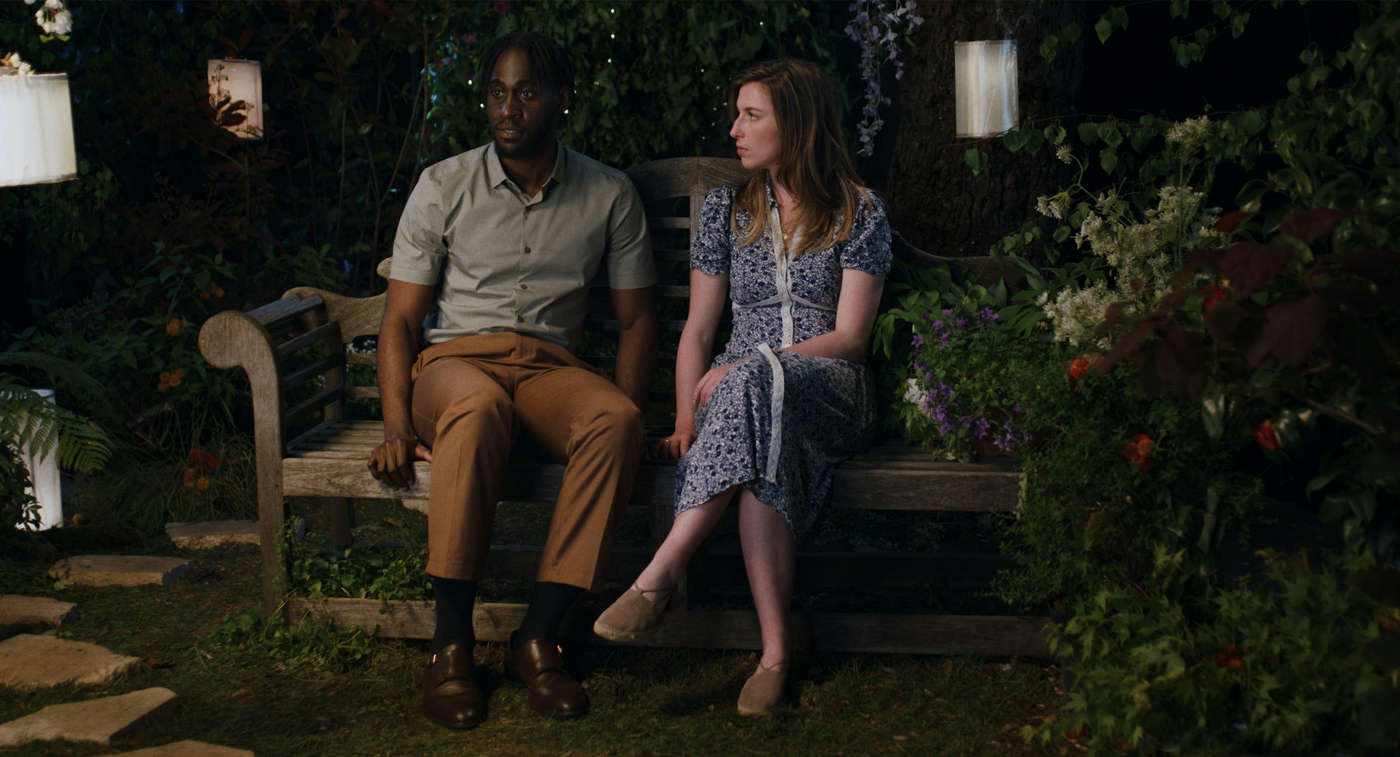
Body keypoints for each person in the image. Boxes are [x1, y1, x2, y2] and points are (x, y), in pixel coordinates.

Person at [367, 32, 658, 729]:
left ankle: (539, 637)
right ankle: (450, 646)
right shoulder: (444, 185)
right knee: (477, 408)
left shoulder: (609, 194)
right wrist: (397, 424)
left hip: (550, 368)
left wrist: (627, 416)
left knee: (615, 421)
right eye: (497, 92)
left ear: (563, 100)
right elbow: (400, 321)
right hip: (455, 365)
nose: (507, 108)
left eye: (526, 92)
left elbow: (638, 319)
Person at [593, 58, 891, 716]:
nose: (735, 129)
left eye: (752, 115)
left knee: (758, 379)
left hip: (831, 390)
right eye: (737, 115)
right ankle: (776, 654)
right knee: (762, 446)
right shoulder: (727, 211)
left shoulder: (858, 211)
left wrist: (757, 361)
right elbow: (699, 330)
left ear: (798, 125)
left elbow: (850, 338)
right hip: (739, 400)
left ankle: (662, 571)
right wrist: (683, 421)